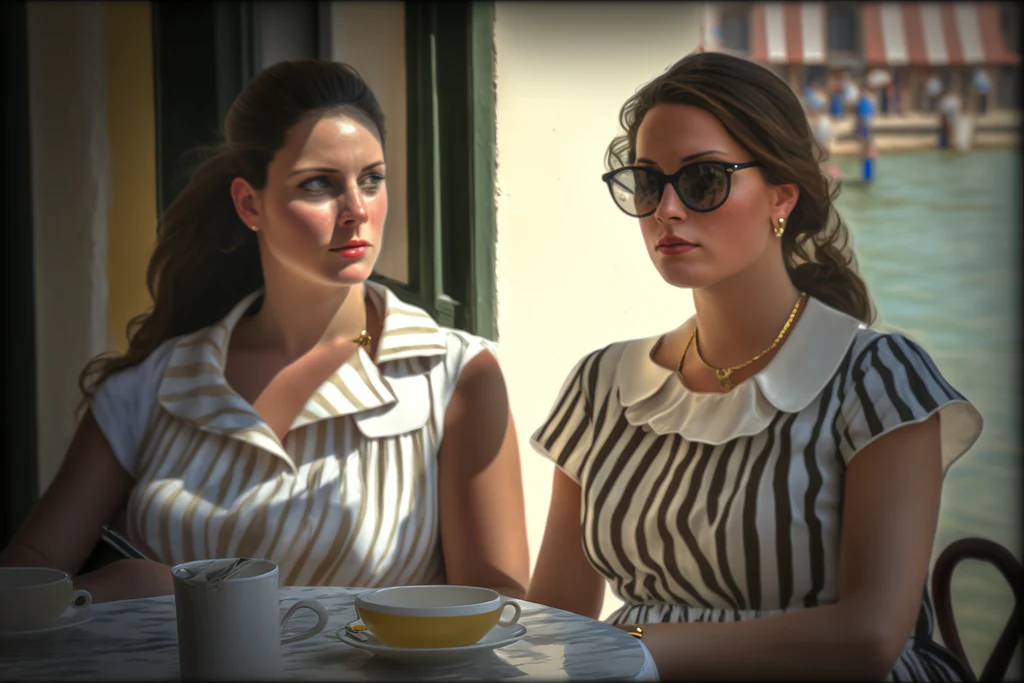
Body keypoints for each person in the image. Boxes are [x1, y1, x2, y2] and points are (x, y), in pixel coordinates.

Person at [0, 60, 530, 603]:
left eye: (372, 179)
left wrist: (192, 599)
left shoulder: (453, 374)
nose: (356, 210)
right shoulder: (153, 385)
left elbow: (500, 607)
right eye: (319, 184)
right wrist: (110, 591)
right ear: (250, 204)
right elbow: (27, 574)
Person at [528, 52, 982, 681]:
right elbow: (550, 623)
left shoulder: (881, 381)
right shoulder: (600, 387)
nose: (667, 210)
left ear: (782, 196)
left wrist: (634, 639)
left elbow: (870, 638)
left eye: (703, 180)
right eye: (648, 181)